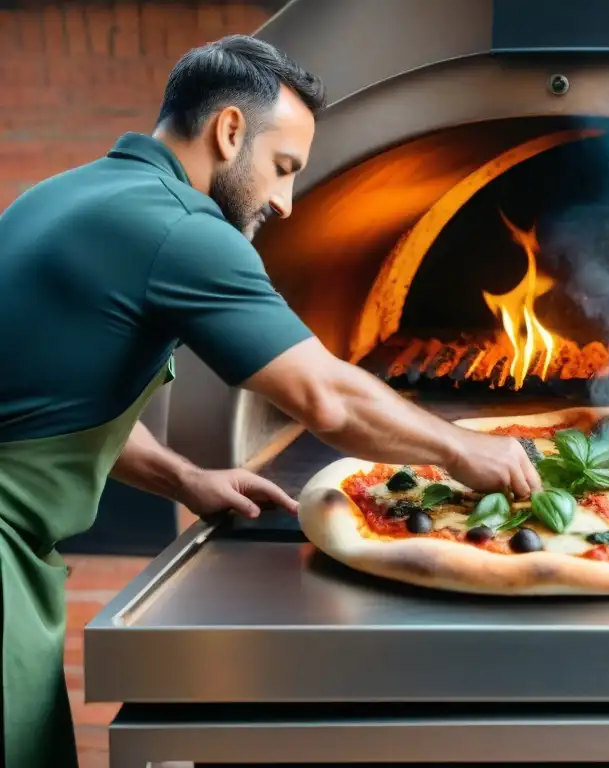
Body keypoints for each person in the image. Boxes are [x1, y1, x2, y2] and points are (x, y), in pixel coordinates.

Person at [0, 34, 542, 767]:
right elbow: (327, 398)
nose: (286, 202)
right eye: (283, 168)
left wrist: (185, 479)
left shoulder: (65, 195)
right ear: (229, 131)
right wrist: (464, 449)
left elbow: (49, 401)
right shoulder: (182, 229)